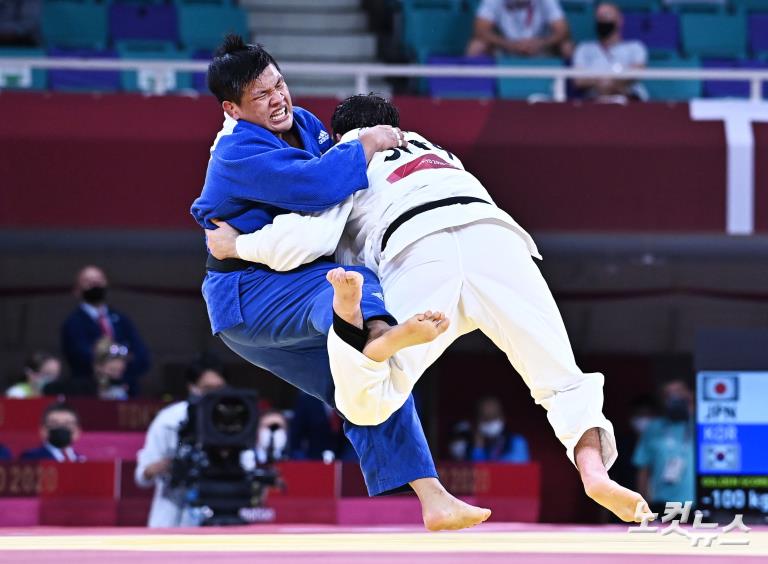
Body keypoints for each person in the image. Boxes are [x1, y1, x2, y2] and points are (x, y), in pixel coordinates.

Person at [206, 93, 652, 523]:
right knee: (562, 378)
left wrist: (238, 244)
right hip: (496, 238)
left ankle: (380, 342)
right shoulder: (437, 151)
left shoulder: (349, 156)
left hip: (419, 250)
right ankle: (594, 473)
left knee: (366, 398)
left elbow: (310, 239)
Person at [191, 35, 490, 531]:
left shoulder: (304, 123)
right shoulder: (237, 152)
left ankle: (435, 500)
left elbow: (334, 189)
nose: (278, 98)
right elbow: (322, 186)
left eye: (279, 84)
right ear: (232, 107)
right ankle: (372, 330)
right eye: (261, 96)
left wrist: (347, 160)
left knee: (365, 384)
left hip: (287, 283)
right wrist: (366, 142)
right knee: (351, 285)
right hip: (249, 292)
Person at [134, 355, 227, 528]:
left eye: (219, 388)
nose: (214, 395)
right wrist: (168, 465)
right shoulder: (169, 419)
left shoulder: (233, 420)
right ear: (192, 387)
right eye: (207, 388)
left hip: (219, 513)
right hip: (172, 513)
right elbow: (142, 475)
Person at [60, 265, 150, 397]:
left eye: (99, 280)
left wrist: (121, 368)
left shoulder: (122, 320)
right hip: (89, 393)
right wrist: (105, 365)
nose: (95, 284)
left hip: (127, 391)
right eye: (88, 282)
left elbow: (142, 356)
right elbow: (78, 355)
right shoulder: (73, 323)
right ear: (77, 290)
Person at [633, 380, 695, 511]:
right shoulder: (653, 427)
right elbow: (643, 469)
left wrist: (691, 406)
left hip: (696, 504)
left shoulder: (701, 426)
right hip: (661, 503)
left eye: (678, 392)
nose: (674, 398)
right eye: (668, 394)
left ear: (690, 395)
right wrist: (643, 506)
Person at [572, 3, 648, 101]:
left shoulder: (635, 47)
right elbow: (579, 80)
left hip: (628, 101)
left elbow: (637, 72)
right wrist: (605, 83)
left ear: (619, 20)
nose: (602, 20)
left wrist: (608, 83)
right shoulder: (583, 48)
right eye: (599, 17)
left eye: (606, 16)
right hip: (594, 103)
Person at [466, 0, 571, 58]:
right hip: (506, 47)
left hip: (540, 48)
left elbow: (563, 30)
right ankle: (472, 91)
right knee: (477, 45)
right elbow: (480, 29)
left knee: (566, 46)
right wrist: (508, 44)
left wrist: (541, 43)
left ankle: (573, 93)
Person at [290, 391, 354, 462]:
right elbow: (296, 432)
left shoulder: (348, 401)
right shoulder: (307, 400)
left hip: (343, 458)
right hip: (314, 458)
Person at [470, 397, 530, 463]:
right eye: (486, 418)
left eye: (494, 416)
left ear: (502, 417)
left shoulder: (517, 441)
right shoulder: (470, 444)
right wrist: (478, 448)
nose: (490, 422)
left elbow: (519, 463)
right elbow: (476, 469)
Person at [20, 403, 85, 462]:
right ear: (43, 430)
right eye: (54, 424)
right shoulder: (30, 459)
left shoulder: (83, 460)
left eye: (67, 424)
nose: (61, 428)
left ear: (77, 431)